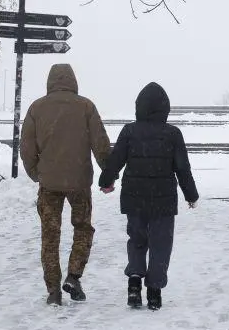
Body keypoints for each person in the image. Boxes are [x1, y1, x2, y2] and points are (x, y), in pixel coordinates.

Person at [98, 82, 199, 311]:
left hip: (134, 197)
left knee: (137, 240)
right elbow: (182, 168)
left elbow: (116, 160)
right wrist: (190, 195)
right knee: (161, 244)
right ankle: (154, 292)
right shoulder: (173, 134)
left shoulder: (129, 131)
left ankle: (134, 283)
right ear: (165, 109)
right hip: (163, 201)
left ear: (139, 107)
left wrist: (106, 181)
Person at [20, 64, 111, 306]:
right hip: (80, 181)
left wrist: (36, 173)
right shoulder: (86, 107)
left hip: (49, 183)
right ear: (73, 81)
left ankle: (53, 290)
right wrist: (108, 173)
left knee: (50, 235)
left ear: (50, 81)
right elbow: (100, 143)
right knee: (82, 228)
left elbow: (27, 148)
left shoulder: (37, 109)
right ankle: (73, 275)